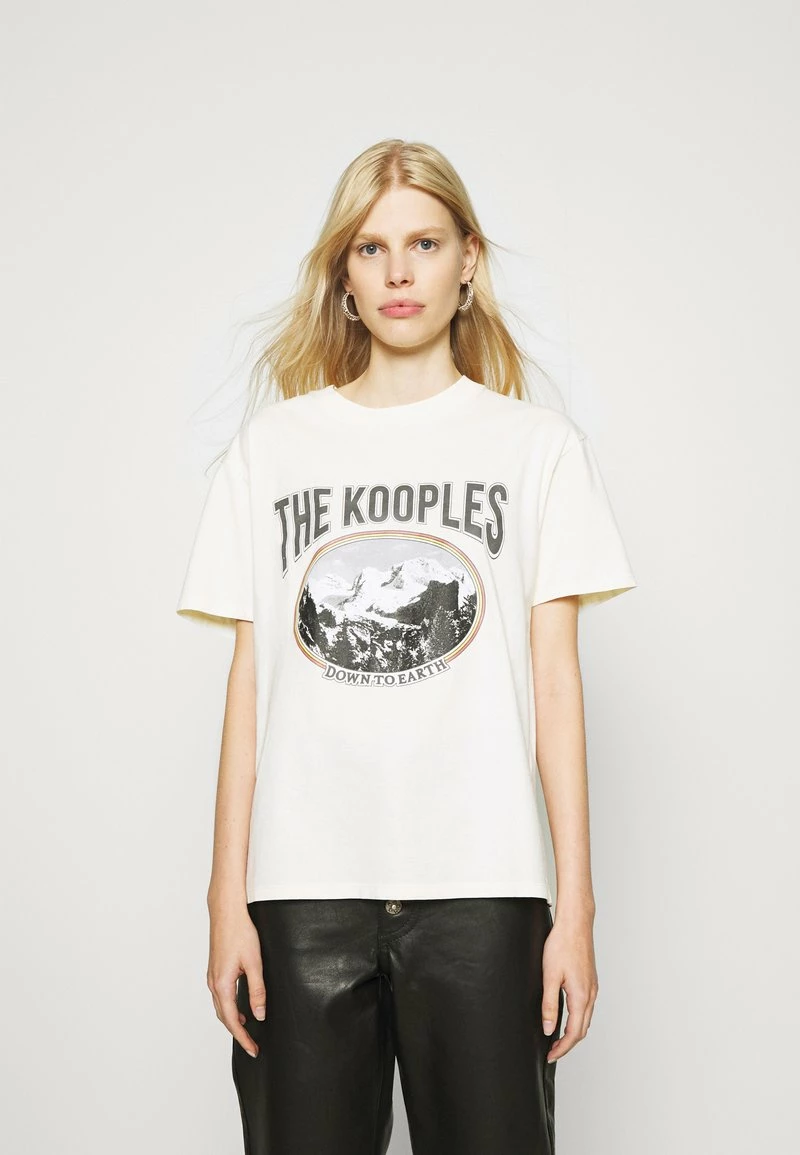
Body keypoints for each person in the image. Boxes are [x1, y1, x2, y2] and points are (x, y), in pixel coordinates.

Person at [176, 138, 637, 1155]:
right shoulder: (270, 453)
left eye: (424, 243)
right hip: (300, 889)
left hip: (484, 887)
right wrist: (224, 903)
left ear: (467, 262)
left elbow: (556, 688)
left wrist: (575, 911)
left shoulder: (537, 452)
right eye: (371, 248)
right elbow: (250, 687)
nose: (398, 272)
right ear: (342, 276)